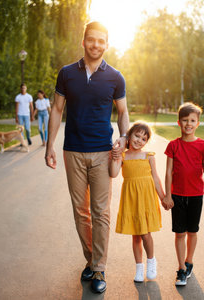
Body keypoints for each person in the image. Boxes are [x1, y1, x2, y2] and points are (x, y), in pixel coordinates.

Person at [45, 21, 129, 294]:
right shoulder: (67, 73)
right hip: (73, 152)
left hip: (103, 152)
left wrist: (124, 138)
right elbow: (57, 110)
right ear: (83, 41)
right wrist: (50, 146)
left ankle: (99, 267)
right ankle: (91, 260)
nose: (96, 45)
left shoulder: (115, 77)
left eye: (101, 41)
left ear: (106, 44)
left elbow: (123, 112)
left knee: (100, 212)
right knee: (81, 212)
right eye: (91, 40)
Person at [109, 122, 165, 283]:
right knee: (135, 236)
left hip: (146, 198)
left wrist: (163, 197)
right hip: (131, 198)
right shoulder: (123, 155)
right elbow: (113, 173)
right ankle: (139, 267)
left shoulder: (149, 156)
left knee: (146, 234)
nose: (139, 140)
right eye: (137, 135)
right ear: (129, 135)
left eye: (143, 138)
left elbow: (155, 178)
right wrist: (115, 155)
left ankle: (151, 261)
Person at [162, 102, 204, 286]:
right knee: (180, 233)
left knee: (193, 231)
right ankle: (181, 268)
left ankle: (189, 262)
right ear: (179, 122)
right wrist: (168, 195)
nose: (188, 124)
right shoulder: (173, 145)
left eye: (192, 120)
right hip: (177, 195)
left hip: (196, 195)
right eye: (185, 120)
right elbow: (168, 172)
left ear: (198, 123)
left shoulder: (203, 146)